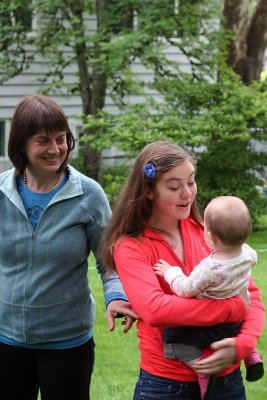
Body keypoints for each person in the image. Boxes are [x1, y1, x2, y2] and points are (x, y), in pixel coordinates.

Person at [99, 141, 265, 400]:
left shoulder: (207, 232)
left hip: (228, 384)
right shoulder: (131, 247)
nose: (188, 193)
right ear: (149, 191)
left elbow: (251, 293)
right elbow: (155, 309)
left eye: (191, 181)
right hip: (165, 386)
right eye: (175, 187)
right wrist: (232, 308)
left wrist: (242, 345)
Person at [0, 94, 138, 400]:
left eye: (61, 139)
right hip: (6, 340)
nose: (55, 149)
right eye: (43, 141)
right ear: (22, 144)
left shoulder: (88, 194)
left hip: (67, 343)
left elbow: (109, 258)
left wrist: (115, 295)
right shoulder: (1, 192)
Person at [154, 195, 264, 399]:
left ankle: (202, 369)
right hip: (237, 317)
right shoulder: (249, 254)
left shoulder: (210, 269)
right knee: (236, 327)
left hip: (209, 323)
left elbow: (186, 289)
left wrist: (171, 272)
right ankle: (250, 353)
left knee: (172, 341)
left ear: (211, 238)